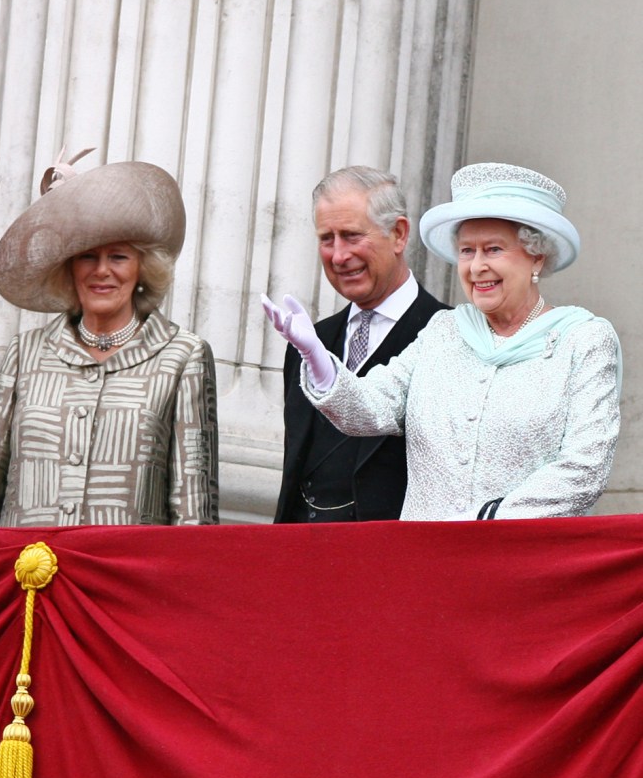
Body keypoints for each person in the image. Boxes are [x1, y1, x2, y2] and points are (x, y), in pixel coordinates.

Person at [263, 162, 622, 520]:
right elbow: (371, 408)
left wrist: (488, 519)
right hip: (424, 561)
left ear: (536, 257)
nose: (476, 266)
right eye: (467, 251)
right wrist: (316, 357)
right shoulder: (443, 331)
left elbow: (584, 468)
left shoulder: (584, 341)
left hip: (520, 561)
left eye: (493, 249)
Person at [0, 150, 219, 527]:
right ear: (68, 267)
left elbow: (194, 509)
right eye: (87, 257)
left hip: (126, 580)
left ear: (142, 269)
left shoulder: (182, 356)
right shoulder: (26, 353)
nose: (102, 271)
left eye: (118, 257)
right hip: (26, 578)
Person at [273, 166, 448, 523]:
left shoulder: (448, 337)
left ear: (398, 234)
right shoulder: (308, 343)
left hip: (392, 562)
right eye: (327, 238)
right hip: (305, 560)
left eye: (351, 236)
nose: (338, 256)